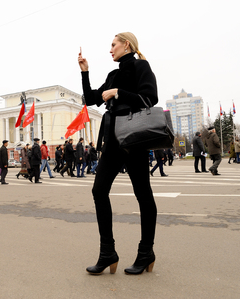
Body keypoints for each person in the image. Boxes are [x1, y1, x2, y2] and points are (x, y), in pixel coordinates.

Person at [79, 32, 158, 275]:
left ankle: (146, 253)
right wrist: (85, 72)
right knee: (98, 190)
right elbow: (91, 98)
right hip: (112, 141)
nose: (110, 49)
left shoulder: (140, 66)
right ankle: (107, 253)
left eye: (113, 44)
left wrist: (118, 93)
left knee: (143, 194)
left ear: (126, 44)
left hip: (134, 139)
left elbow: (149, 98)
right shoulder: (113, 74)